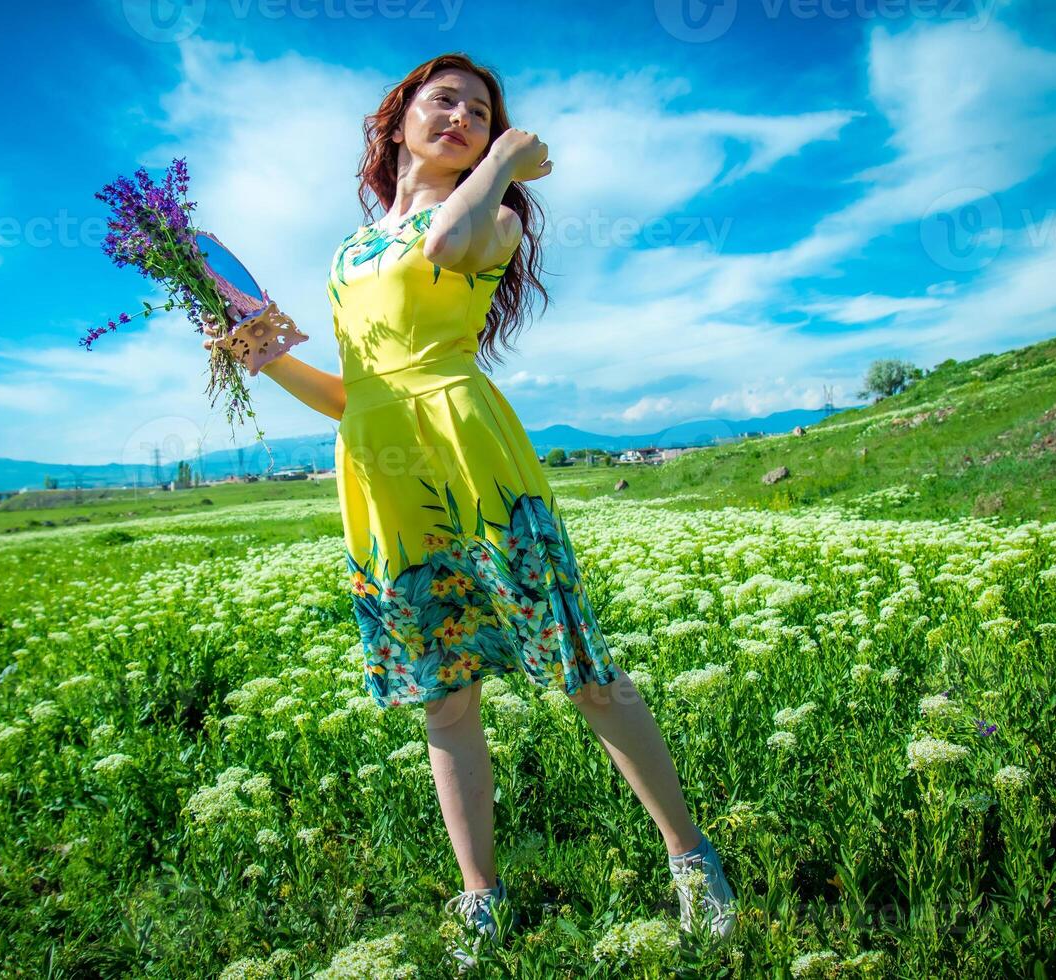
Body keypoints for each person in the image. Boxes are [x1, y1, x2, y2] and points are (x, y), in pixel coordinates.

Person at [203, 52, 737, 972]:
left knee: (582, 671)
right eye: (442, 100)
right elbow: (355, 394)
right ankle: (480, 896)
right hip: (379, 470)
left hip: (471, 454)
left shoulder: (492, 221)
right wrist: (265, 357)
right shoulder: (347, 253)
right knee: (444, 696)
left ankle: (692, 860)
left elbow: (448, 248)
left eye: (482, 114)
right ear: (398, 116)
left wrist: (507, 167)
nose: (461, 117)